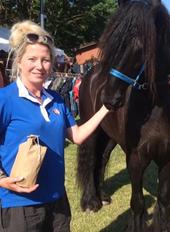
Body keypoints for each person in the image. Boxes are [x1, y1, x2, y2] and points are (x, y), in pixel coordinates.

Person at [0, 20, 109, 232]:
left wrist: (106, 109)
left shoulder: (56, 99)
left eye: (45, 60)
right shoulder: (5, 99)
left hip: (57, 200)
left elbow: (77, 136)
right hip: (20, 205)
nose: (39, 66)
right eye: (32, 59)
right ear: (19, 61)